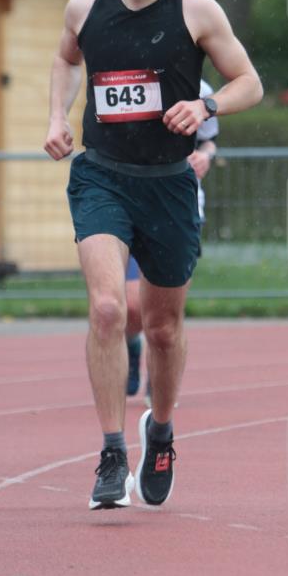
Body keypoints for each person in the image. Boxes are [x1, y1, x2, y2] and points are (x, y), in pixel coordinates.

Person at [44, 0, 263, 511]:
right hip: (102, 178)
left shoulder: (197, 10)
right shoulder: (84, 9)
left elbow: (250, 81)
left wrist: (208, 106)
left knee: (163, 327)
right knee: (110, 307)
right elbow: (65, 59)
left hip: (168, 182)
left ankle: (159, 432)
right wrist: (57, 116)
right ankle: (113, 451)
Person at [126, 78, 219, 399]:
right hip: (130, 206)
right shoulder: (128, 74)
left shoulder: (200, 89)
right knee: (130, 308)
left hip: (181, 208)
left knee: (164, 314)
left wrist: (206, 156)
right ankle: (130, 343)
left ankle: (158, 381)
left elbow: (210, 141)